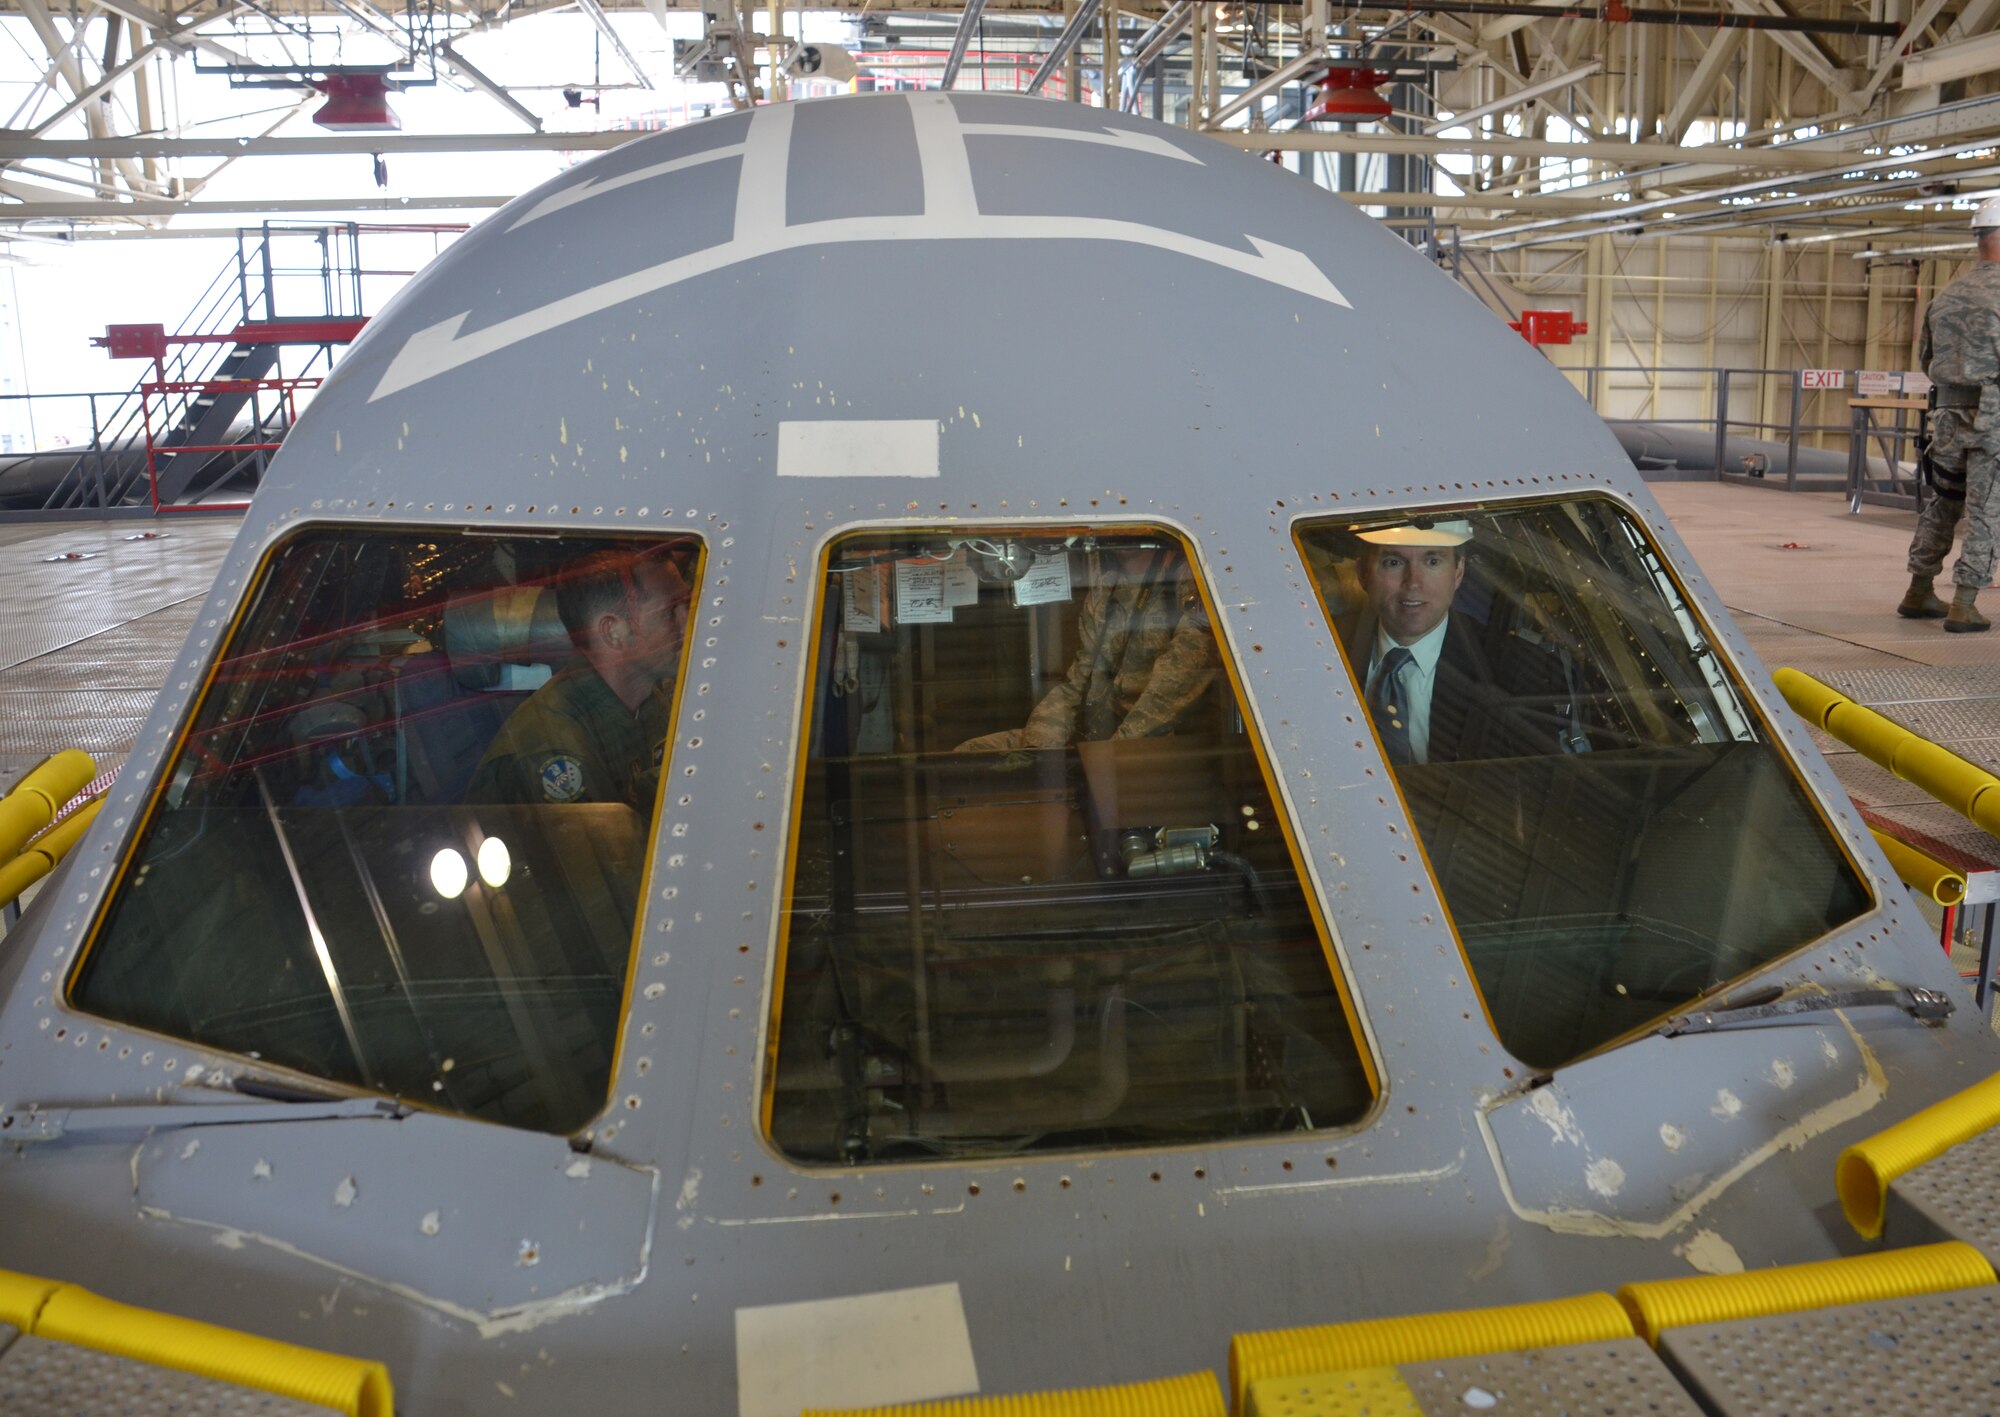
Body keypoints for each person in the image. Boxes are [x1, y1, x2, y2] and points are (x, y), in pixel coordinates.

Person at [467, 547, 690, 808]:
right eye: (671, 612)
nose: (690, 623)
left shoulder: (654, 700)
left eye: (687, 606)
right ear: (613, 632)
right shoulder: (553, 751)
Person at [956, 545, 1218, 752]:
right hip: (1097, 735)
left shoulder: (1187, 580)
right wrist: (1040, 742)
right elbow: (1081, 678)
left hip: (1159, 746)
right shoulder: (1105, 590)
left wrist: (1116, 751)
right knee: (972, 752)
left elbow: (1178, 683)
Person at [1900, 195, 2000, 633]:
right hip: (1993, 417)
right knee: (1986, 507)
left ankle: (1919, 589)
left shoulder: (1947, 295)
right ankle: (1964, 603)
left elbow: (1926, 358)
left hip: (1947, 412)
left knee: (1944, 500)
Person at [1337, 519, 1508, 766]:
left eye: (1432, 562)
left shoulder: (1513, 670)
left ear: (1458, 572)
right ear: (1363, 574)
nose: (1413, 583)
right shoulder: (1315, 652)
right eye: (1393, 563)